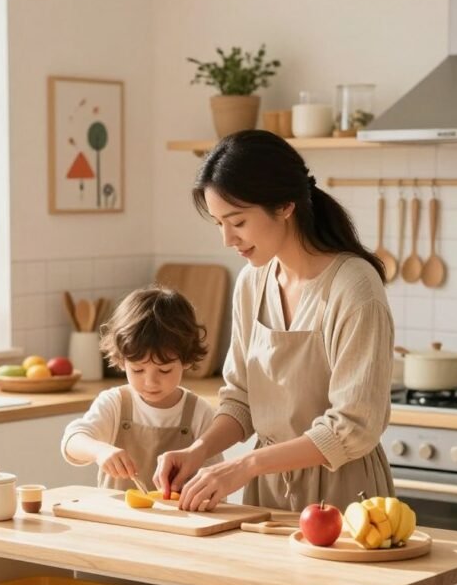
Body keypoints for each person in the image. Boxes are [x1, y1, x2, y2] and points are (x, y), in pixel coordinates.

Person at [154, 129, 395, 514]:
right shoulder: (253, 282)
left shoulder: (354, 288)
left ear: (285, 206)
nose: (227, 239)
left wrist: (245, 465)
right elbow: (240, 399)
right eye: (219, 224)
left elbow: (353, 427)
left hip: (345, 498)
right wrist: (198, 451)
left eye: (237, 221)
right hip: (266, 494)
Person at [60, 286, 221, 490]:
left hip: (181, 521)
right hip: (116, 520)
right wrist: (99, 451)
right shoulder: (115, 403)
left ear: (187, 360)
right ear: (121, 361)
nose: (150, 382)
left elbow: (214, 479)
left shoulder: (200, 412)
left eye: (164, 371)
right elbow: (72, 441)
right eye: (137, 370)